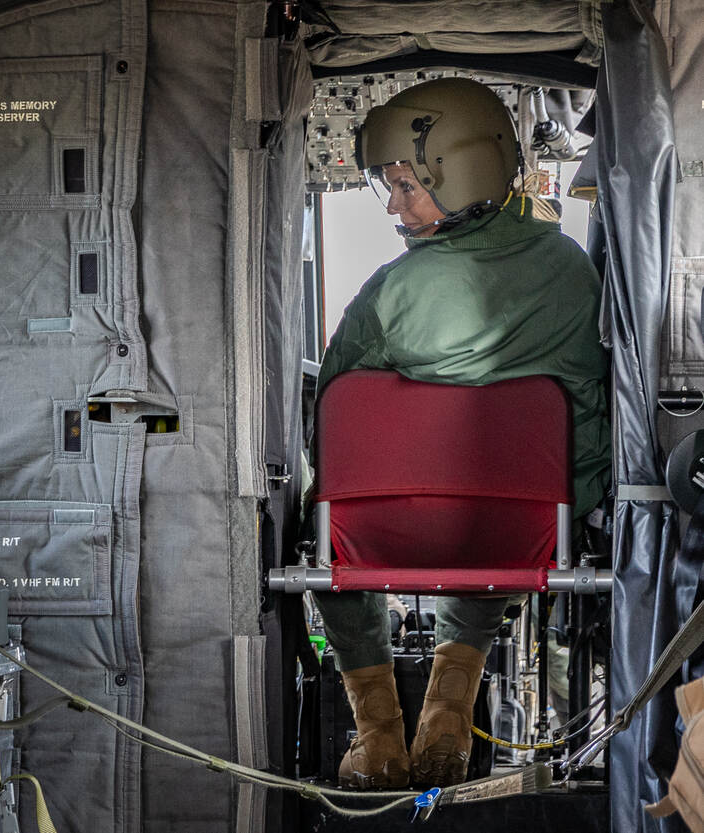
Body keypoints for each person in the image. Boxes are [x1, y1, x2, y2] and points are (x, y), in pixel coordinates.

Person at [312, 77, 610, 789]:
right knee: (499, 508)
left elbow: (333, 418)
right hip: (529, 536)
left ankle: (378, 735)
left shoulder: (387, 293)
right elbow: (594, 423)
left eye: (405, 185)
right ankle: (449, 708)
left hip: (376, 538)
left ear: (465, 175)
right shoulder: (576, 273)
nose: (393, 204)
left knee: (314, 514)